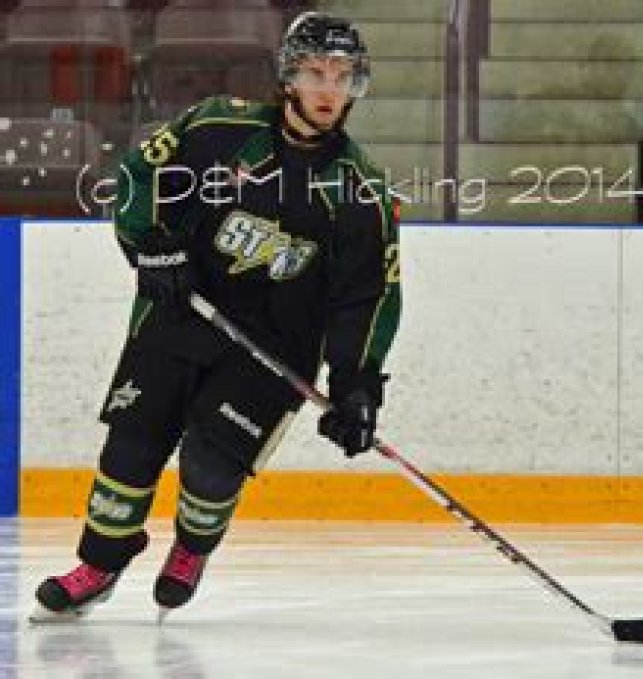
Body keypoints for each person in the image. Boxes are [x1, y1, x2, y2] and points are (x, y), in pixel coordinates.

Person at [31, 11, 401, 621]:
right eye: (316, 73)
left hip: (274, 350)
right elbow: (139, 176)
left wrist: (356, 385)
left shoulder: (361, 191)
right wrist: (152, 247)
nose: (329, 90)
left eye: (342, 76)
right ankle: (100, 563)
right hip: (180, 316)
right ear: (289, 77)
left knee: (209, 469)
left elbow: (368, 296)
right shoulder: (216, 126)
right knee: (130, 450)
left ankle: (192, 548)